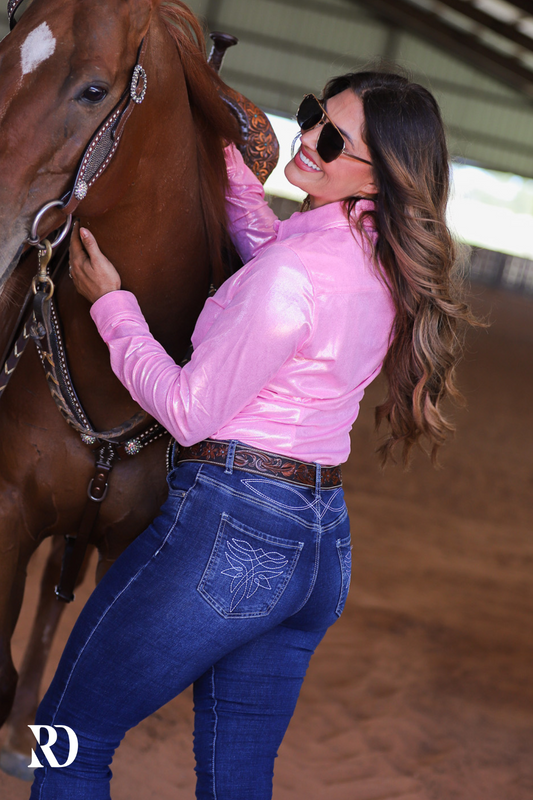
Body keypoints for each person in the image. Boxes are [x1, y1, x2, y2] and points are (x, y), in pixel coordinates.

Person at [30, 70, 472, 800]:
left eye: (330, 139)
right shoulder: (378, 256)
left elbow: (186, 410)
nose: (304, 139)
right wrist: (229, 167)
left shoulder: (292, 274)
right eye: (309, 115)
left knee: (66, 740)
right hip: (319, 547)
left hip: (229, 536)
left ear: (380, 172)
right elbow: (273, 250)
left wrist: (113, 308)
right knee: (237, 779)